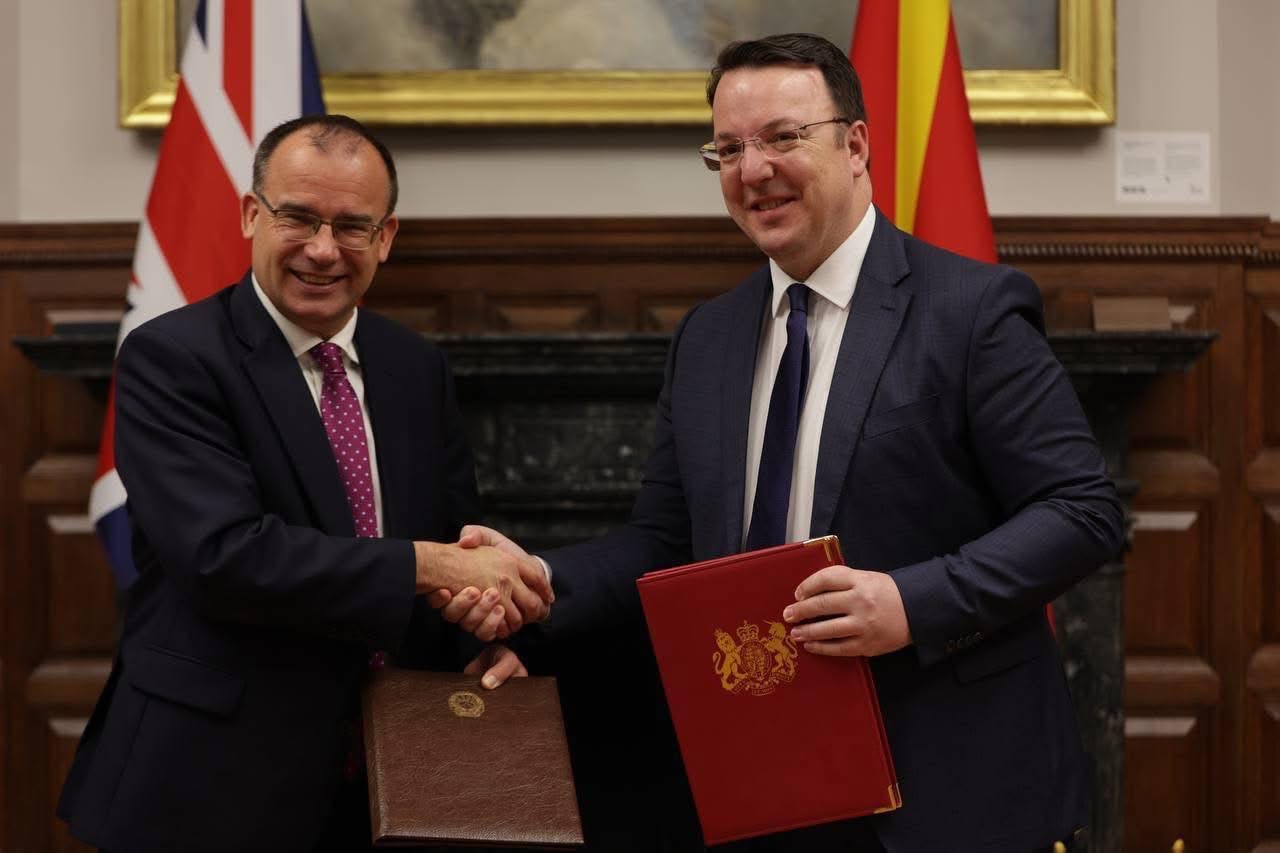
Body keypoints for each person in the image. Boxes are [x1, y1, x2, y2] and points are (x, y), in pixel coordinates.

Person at [457, 34, 1126, 852]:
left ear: (856, 145)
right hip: (762, 774)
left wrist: (911, 602)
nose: (754, 170)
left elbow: (1082, 509)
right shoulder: (707, 337)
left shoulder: (971, 311)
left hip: (948, 780)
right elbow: (664, 543)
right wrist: (540, 577)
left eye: (782, 137)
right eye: (729, 149)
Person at [56, 114, 552, 853]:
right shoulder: (172, 358)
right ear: (251, 215)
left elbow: (457, 540)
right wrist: (437, 566)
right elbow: (227, 556)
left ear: (385, 237)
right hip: (212, 781)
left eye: (352, 226)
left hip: (393, 774)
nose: (323, 249)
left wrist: (482, 633)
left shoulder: (415, 366)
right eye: (298, 218)